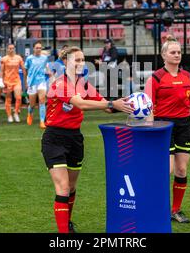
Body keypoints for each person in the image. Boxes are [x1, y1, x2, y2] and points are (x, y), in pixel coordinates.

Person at [42, 46, 132, 233]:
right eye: (77, 60)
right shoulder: (59, 83)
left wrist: (128, 104)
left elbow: (105, 106)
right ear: (65, 62)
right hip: (54, 139)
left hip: (75, 138)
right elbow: (80, 103)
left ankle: (67, 221)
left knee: (72, 187)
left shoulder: (83, 83)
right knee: (63, 188)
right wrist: (110, 103)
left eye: (83, 60)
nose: (81, 63)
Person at [145, 39, 190, 223]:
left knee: (181, 169)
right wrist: (151, 128)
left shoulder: (189, 77)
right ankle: (154, 205)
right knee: (168, 169)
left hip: (184, 126)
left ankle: (175, 210)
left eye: (179, 52)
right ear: (163, 55)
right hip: (163, 126)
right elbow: (149, 107)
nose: (177, 55)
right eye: (173, 52)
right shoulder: (155, 78)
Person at [25, 41, 50, 129]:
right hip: (32, 83)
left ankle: (42, 122)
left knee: (42, 100)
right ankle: (29, 114)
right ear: (34, 49)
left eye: (40, 48)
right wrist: (26, 82)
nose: (39, 49)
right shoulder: (29, 58)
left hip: (41, 81)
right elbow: (26, 70)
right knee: (32, 104)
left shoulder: (45, 58)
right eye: (37, 48)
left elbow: (47, 68)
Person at [0, 43, 26, 123]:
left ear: (14, 49)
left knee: (18, 97)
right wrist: (1, 80)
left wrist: (26, 79)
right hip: (7, 81)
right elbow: (1, 70)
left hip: (17, 80)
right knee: (8, 99)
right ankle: (9, 115)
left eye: (12, 48)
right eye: (9, 48)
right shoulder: (4, 59)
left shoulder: (18, 58)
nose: (11, 50)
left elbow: (23, 69)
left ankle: (16, 113)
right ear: (7, 49)